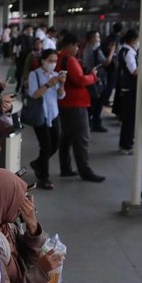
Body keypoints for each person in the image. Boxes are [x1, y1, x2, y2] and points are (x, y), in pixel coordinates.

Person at [56, 33, 105, 182]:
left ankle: (65, 167)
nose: (77, 49)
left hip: (64, 102)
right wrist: (93, 76)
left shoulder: (59, 57)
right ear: (69, 45)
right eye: (76, 46)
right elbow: (80, 80)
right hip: (76, 103)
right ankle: (85, 171)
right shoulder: (70, 60)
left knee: (66, 137)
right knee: (82, 137)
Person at [28, 49, 68, 189]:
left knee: (55, 144)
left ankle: (38, 163)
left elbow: (61, 96)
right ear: (43, 60)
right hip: (40, 115)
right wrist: (48, 84)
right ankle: (44, 177)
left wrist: (61, 84)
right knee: (45, 146)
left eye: (55, 61)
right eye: (50, 60)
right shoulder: (34, 75)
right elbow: (34, 95)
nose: (53, 64)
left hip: (54, 114)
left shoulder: (55, 75)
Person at [83, 31, 115, 133]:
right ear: (92, 38)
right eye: (97, 37)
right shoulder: (96, 50)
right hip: (96, 79)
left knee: (92, 102)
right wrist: (112, 51)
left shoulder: (87, 48)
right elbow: (106, 62)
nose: (99, 39)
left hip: (90, 77)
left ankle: (90, 122)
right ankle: (95, 123)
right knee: (97, 102)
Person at [117, 30, 140, 155]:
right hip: (130, 88)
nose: (138, 42)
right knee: (129, 118)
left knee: (128, 118)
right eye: (138, 40)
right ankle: (126, 145)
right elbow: (134, 71)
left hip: (127, 87)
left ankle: (126, 143)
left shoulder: (125, 50)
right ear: (132, 40)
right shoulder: (129, 52)